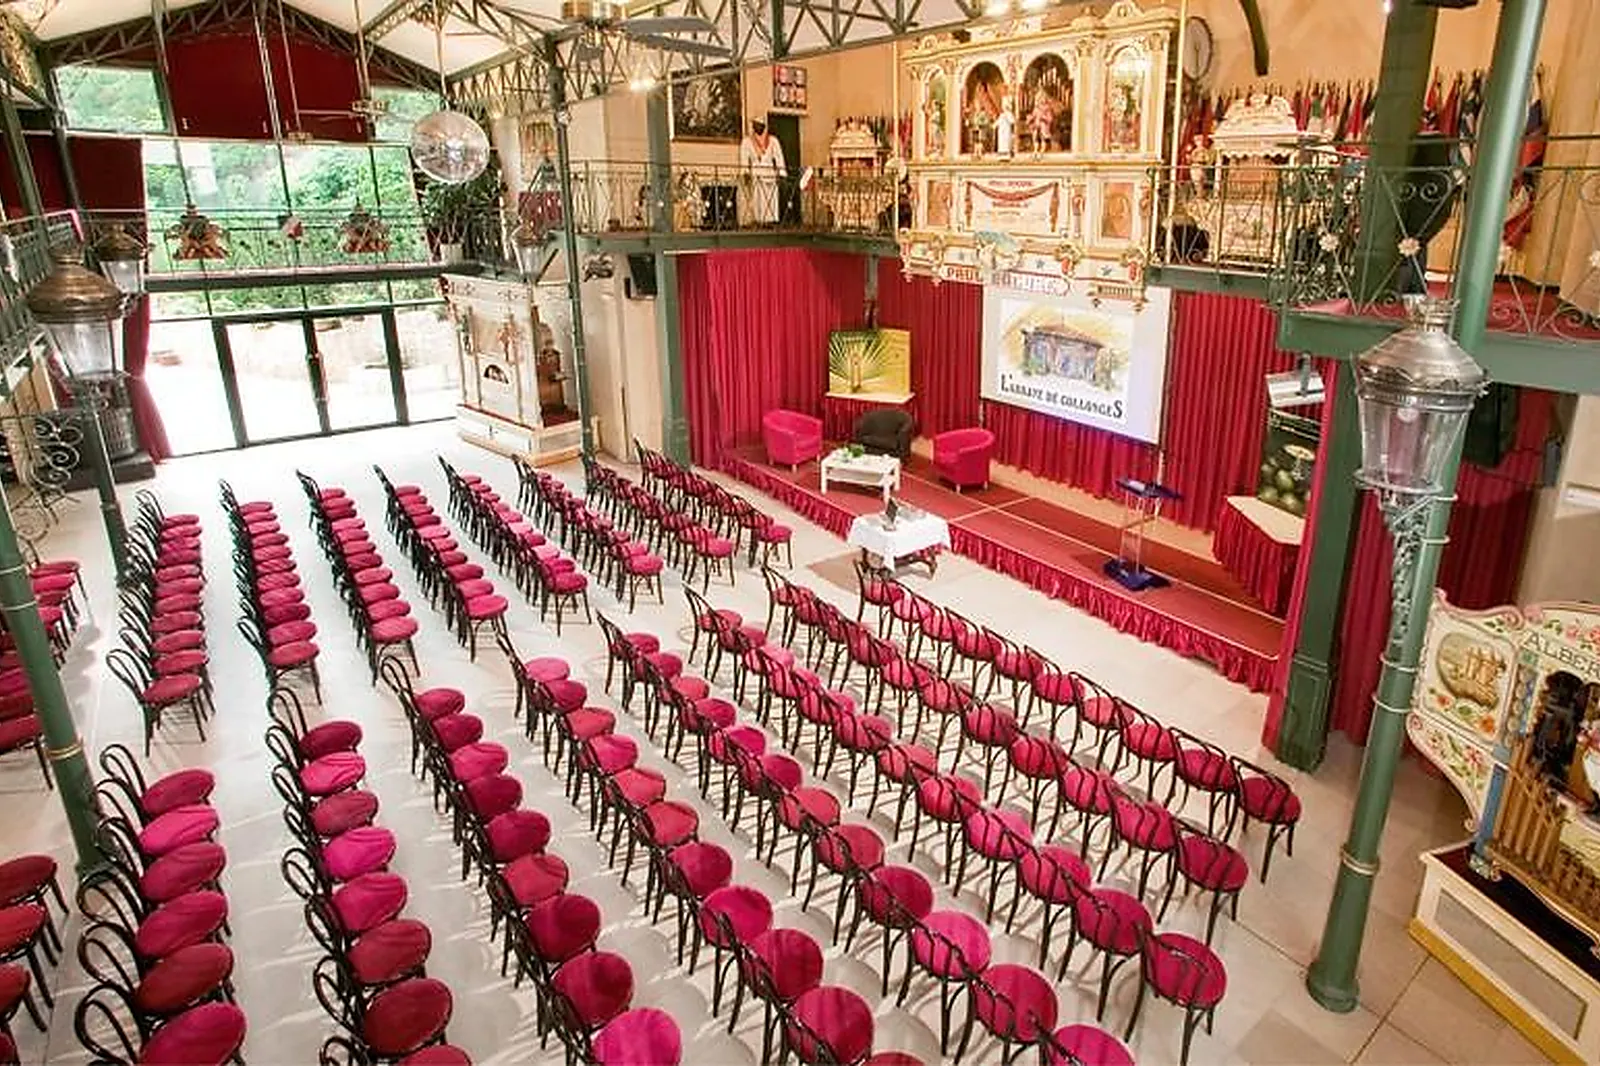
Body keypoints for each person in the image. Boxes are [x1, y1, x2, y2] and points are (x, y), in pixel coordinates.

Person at [740, 120, 786, 226]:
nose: (758, 127)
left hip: (770, 172)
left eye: (760, 125)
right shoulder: (747, 141)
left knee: (771, 198)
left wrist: (781, 172)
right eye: (756, 125)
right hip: (756, 172)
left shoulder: (773, 140)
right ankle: (759, 220)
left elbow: (779, 157)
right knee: (758, 199)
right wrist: (745, 173)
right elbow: (744, 159)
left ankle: (771, 220)